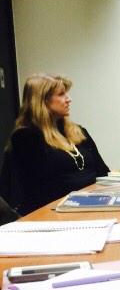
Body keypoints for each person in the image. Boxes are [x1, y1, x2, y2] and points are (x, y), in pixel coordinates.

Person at [4, 74, 108, 215]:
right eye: (61, 94)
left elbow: (103, 172)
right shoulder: (26, 137)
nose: (68, 99)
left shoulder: (78, 131)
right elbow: (42, 190)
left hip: (91, 205)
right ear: (42, 100)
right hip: (54, 213)